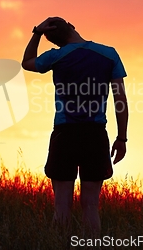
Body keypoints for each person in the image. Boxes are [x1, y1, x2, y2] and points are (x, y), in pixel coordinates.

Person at [21, 17, 129, 236]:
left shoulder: (56, 56)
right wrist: (122, 138)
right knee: (90, 206)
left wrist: (36, 33)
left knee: (61, 206)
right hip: (95, 134)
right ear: (71, 26)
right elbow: (121, 101)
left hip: (65, 134)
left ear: (53, 40)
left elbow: (27, 62)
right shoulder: (109, 54)